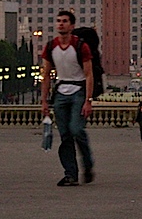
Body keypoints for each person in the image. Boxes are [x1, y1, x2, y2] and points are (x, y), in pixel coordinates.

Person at [41, 11, 94, 187]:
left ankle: (87, 163)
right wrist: (44, 101)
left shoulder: (80, 46)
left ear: (72, 26)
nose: (61, 24)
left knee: (76, 129)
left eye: (64, 21)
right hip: (61, 92)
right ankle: (71, 174)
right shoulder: (51, 47)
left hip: (78, 90)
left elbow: (89, 75)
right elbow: (46, 75)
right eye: (58, 21)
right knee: (65, 136)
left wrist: (88, 100)